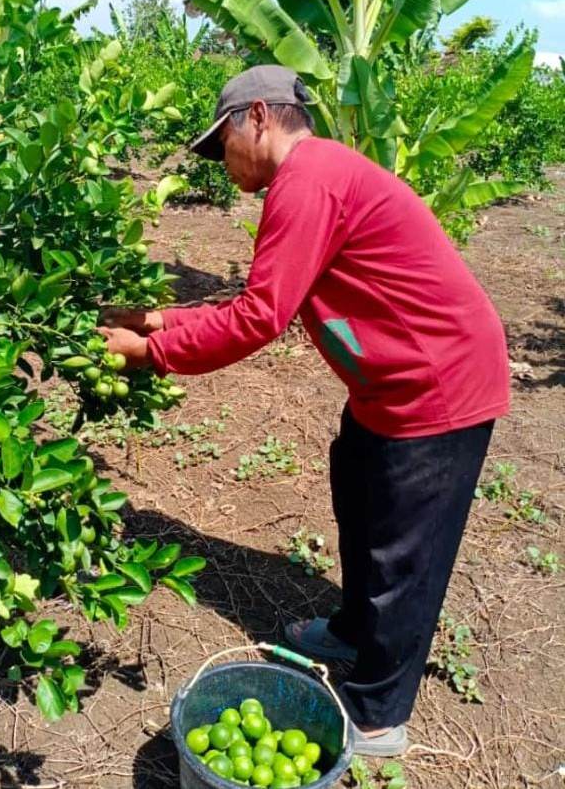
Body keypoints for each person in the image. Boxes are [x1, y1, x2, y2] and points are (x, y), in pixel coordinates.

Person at [97, 65, 510, 756]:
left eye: (221, 143)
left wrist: (148, 354)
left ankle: (378, 715)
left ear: (257, 117)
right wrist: (159, 319)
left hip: (439, 384)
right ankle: (354, 627)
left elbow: (259, 317)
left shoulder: (307, 178)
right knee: (360, 495)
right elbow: (264, 298)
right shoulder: (311, 178)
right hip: (389, 383)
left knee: (406, 547)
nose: (220, 163)